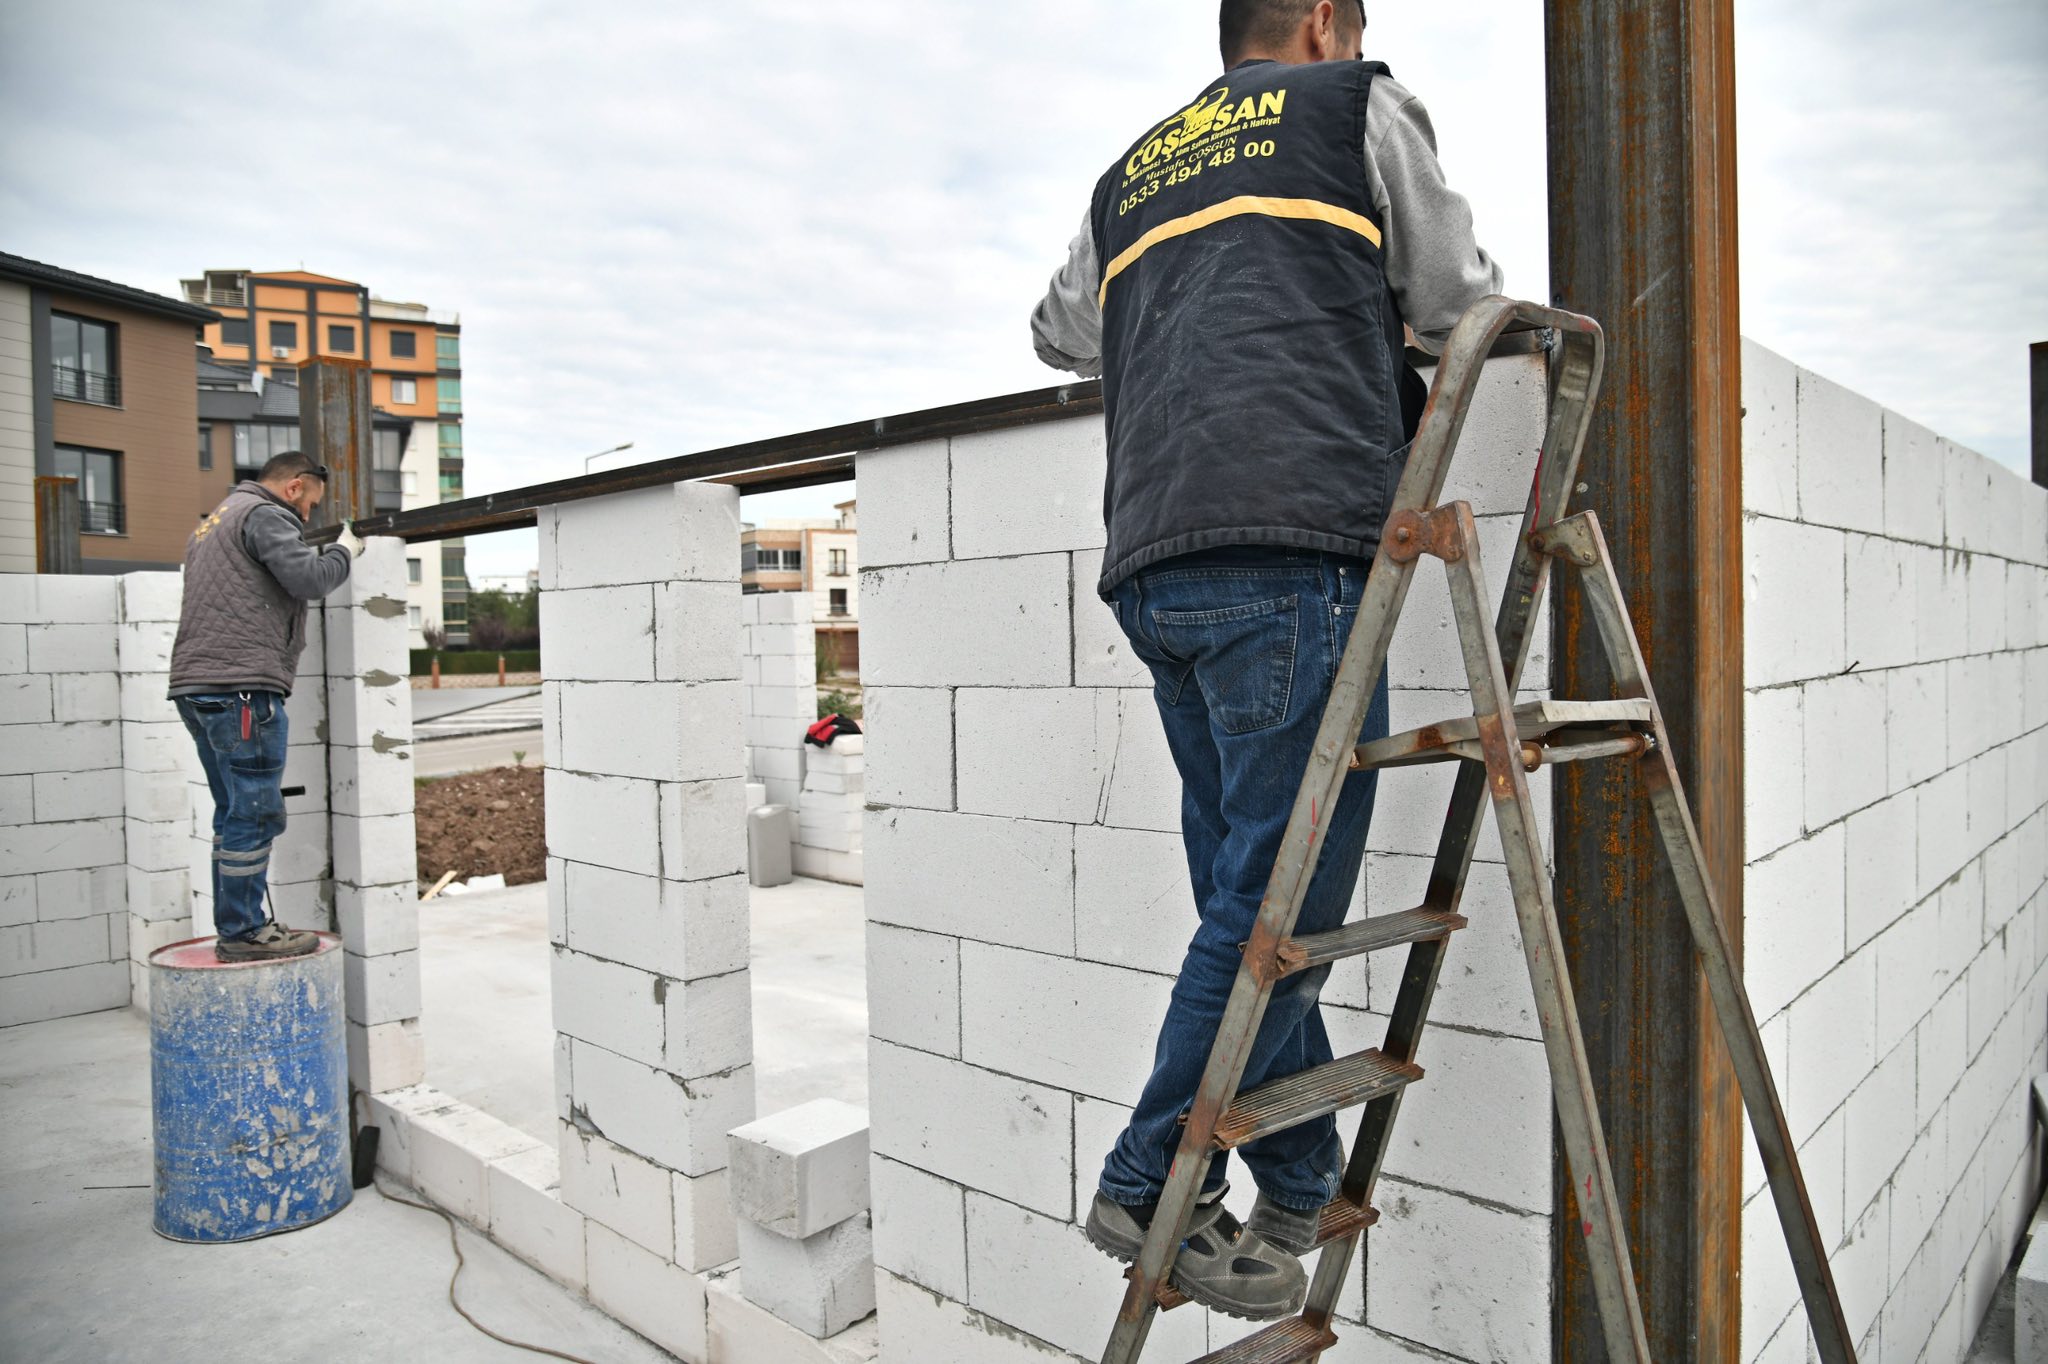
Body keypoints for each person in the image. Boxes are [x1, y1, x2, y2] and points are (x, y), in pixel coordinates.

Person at [1029, 0, 1502, 1321]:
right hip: (1293, 544)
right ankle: (1149, 1190)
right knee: (1279, 914)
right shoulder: (1356, 106)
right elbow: (1459, 296)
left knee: (1249, 898)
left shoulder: (1138, 166)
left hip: (1156, 562)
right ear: (1321, 24)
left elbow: (1061, 334)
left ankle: (1294, 1167)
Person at [169, 451, 363, 961]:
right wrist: (345, 551)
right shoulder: (266, 514)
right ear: (294, 487)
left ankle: (237, 925)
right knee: (254, 814)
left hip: (197, 687)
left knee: (232, 813)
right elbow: (309, 580)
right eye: (309, 507)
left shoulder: (212, 524)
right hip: (241, 689)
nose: (306, 520)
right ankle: (243, 931)